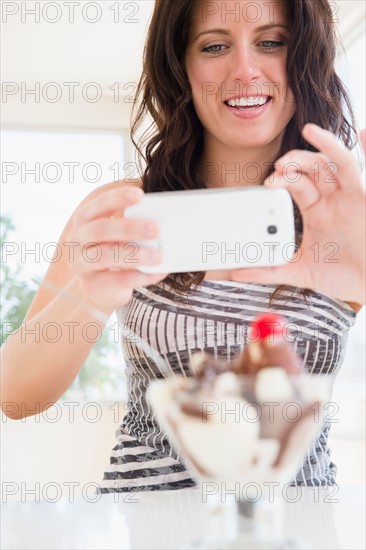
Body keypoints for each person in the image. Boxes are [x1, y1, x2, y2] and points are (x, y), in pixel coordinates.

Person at [1, 0, 365, 494]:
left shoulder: (342, 220)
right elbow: (16, 397)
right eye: (214, 46)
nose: (245, 70)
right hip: (149, 528)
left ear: (304, 53)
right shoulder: (123, 210)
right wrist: (85, 298)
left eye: (271, 42)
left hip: (299, 532)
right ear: (181, 68)